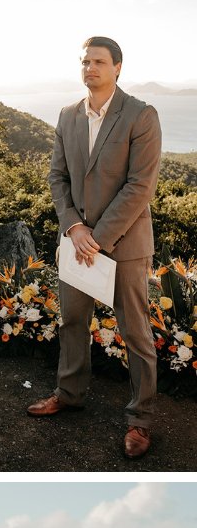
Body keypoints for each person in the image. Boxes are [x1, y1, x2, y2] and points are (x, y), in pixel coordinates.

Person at [27, 37, 162, 459]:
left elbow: (140, 186)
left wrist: (97, 238)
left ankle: (140, 419)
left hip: (123, 245)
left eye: (99, 61)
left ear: (117, 67)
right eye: (85, 60)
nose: (90, 67)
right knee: (72, 322)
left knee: (135, 332)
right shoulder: (68, 115)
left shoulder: (141, 114)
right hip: (77, 242)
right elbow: (57, 177)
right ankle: (69, 394)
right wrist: (74, 228)